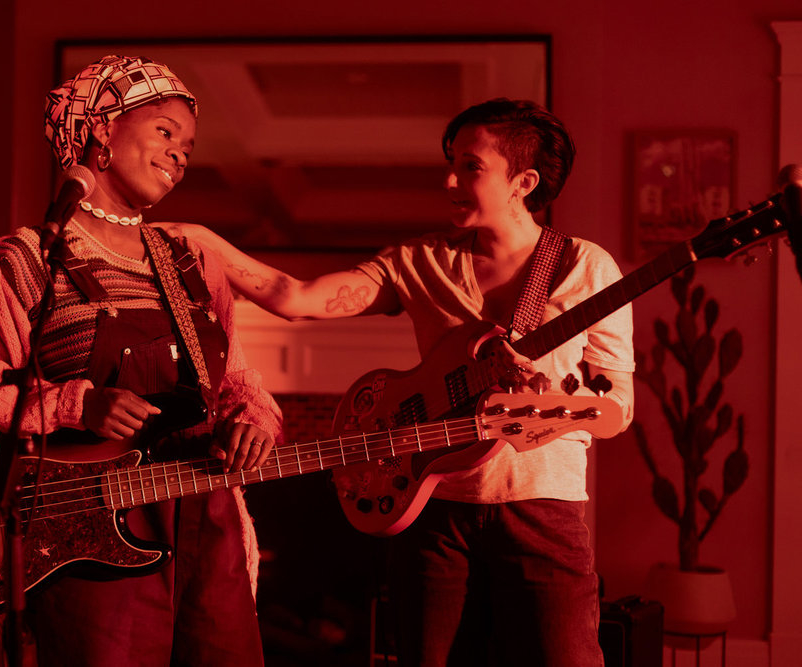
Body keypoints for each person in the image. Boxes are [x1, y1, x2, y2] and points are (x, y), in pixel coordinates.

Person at [162, 98, 635, 666]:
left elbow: (618, 406)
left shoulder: (588, 267)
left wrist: (537, 413)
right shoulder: (419, 261)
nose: (449, 179)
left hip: (543, 511)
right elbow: (295, 297)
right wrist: (200, 237)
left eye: (470, 166)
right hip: (429, 507)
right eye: (450, 162)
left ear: (524, 181)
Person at [0, 55, 282, 666]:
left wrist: (255, 421)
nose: (180, 154)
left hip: (207, 524)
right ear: (100, 130)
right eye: (165, 132)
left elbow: (239, 382)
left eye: (188, 146)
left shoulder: (192, 262)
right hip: (88, 535)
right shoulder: (25, 259)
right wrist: (77, 405)